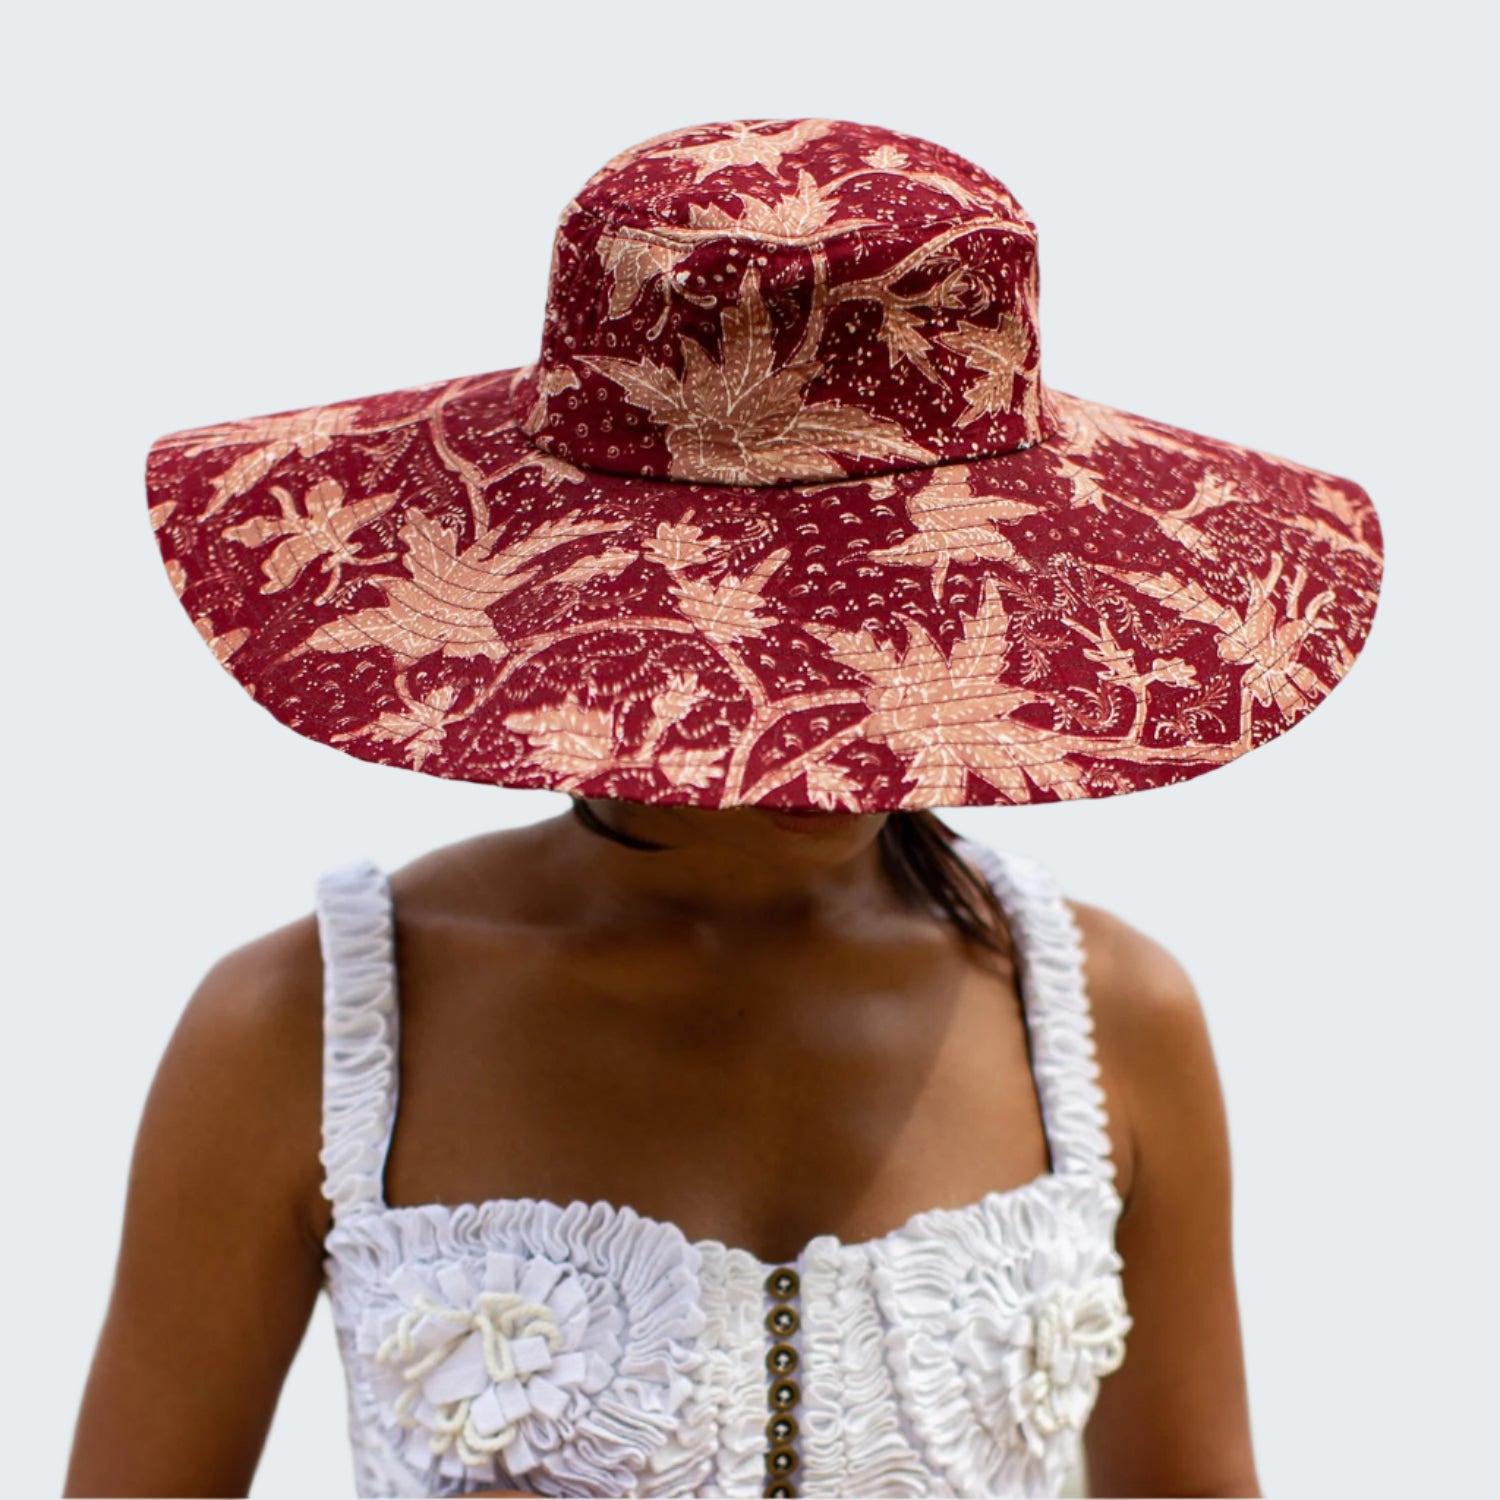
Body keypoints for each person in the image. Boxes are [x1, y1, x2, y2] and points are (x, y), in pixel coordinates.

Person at [66, 117, 1381, 1498]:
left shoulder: (1111, 1026)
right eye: (789, 635)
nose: (845, 705)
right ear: (590, 606)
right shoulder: (301, 1033)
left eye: (903, 616)